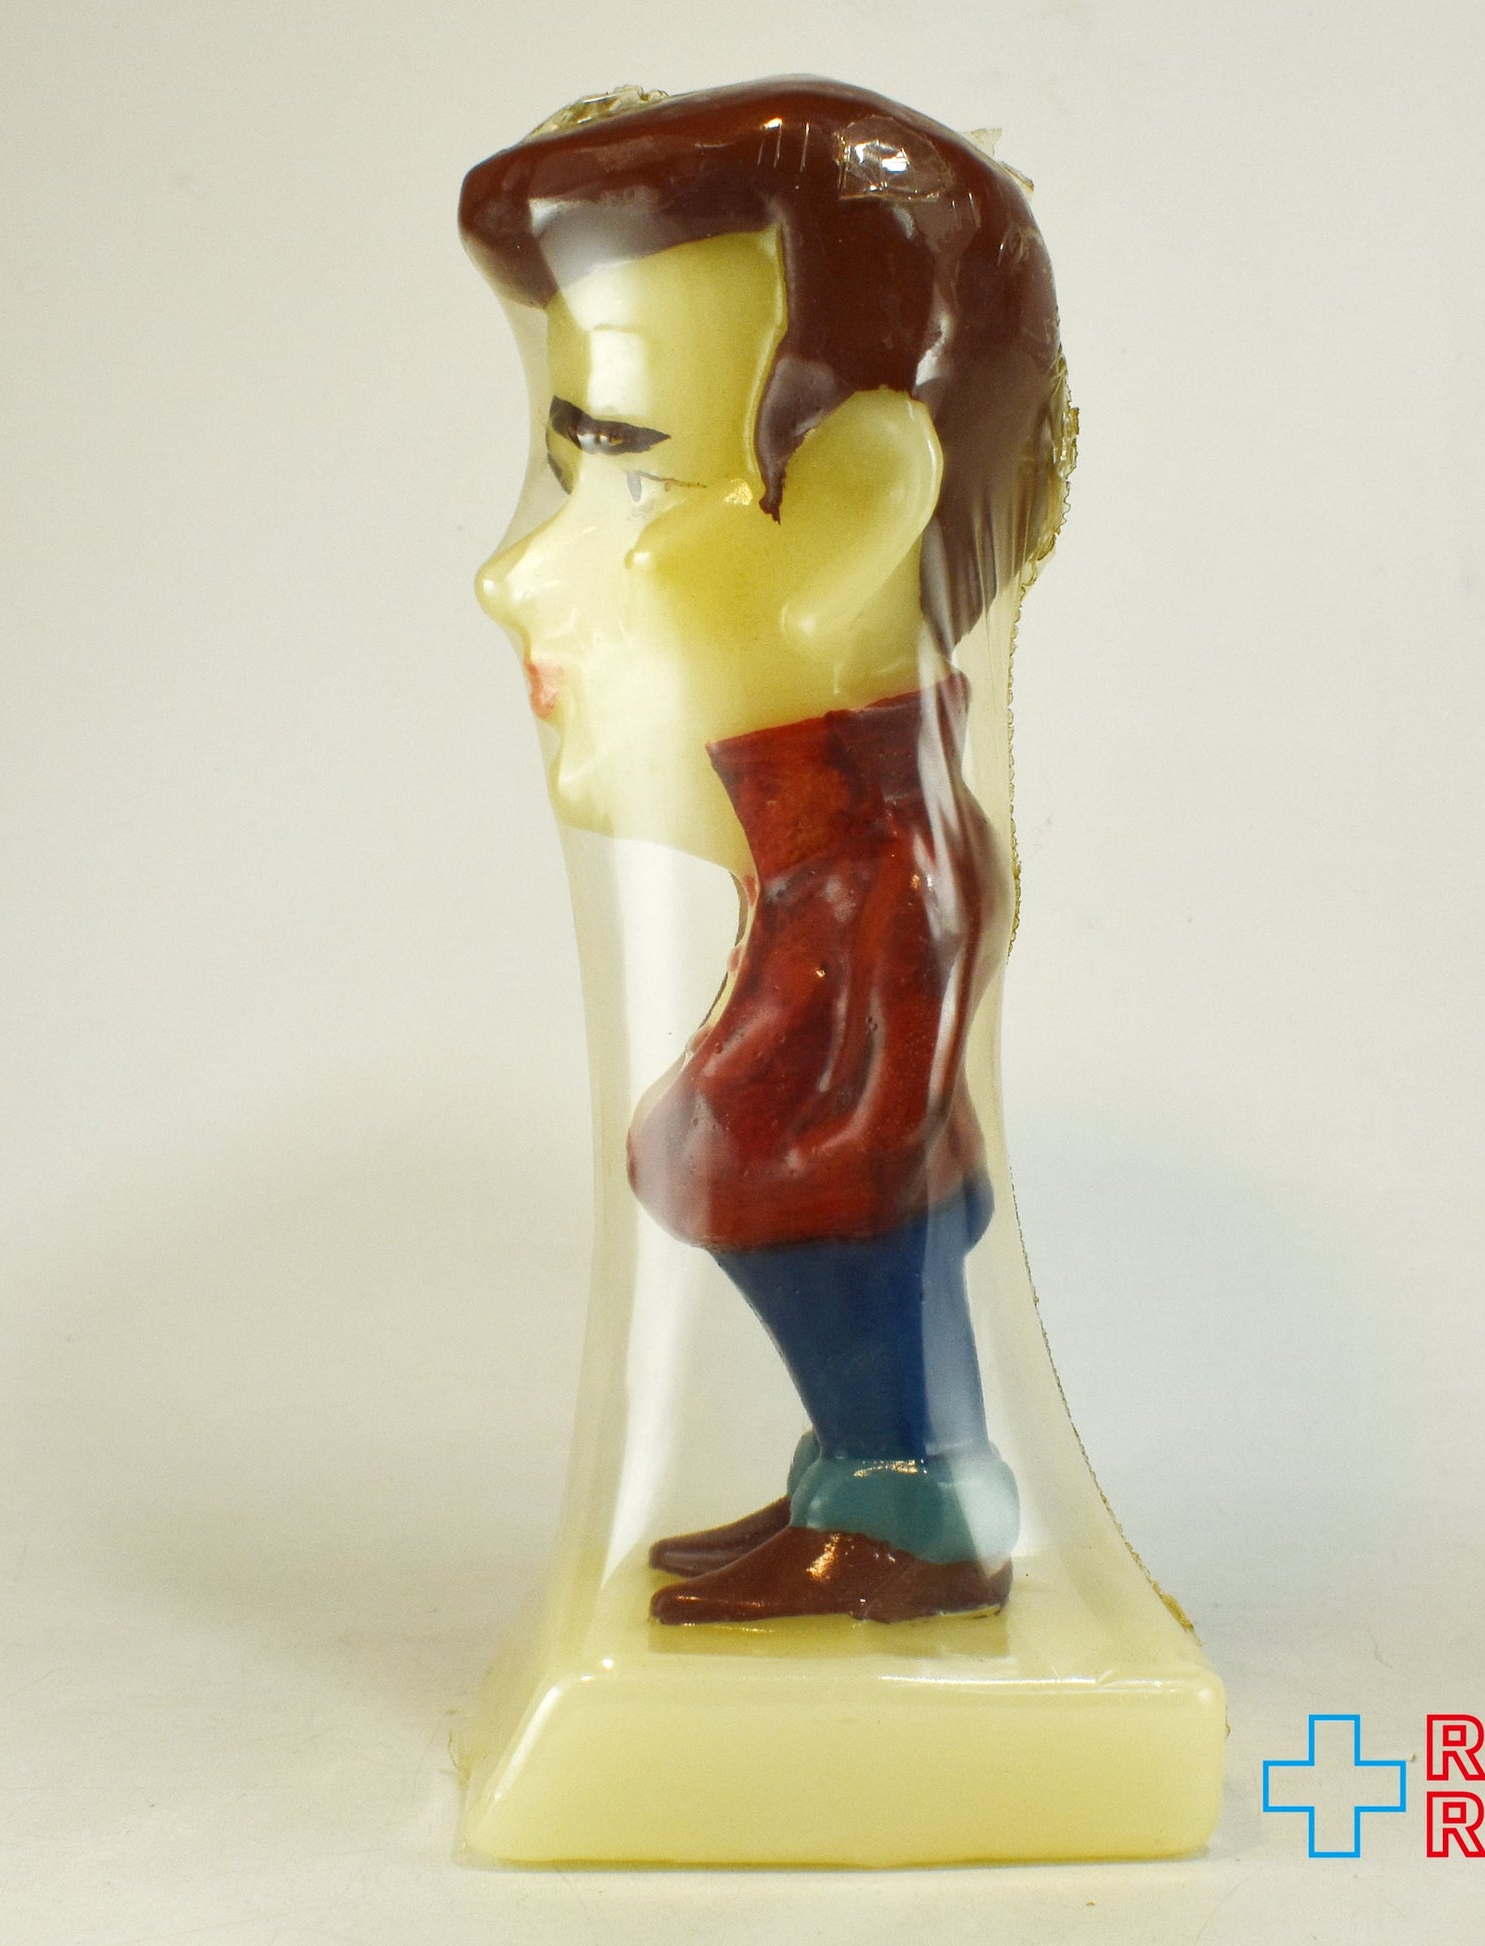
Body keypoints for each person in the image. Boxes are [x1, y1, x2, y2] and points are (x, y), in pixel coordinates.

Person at [461, 78, 1072, 1622]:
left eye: (631, 469)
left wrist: (747, 1141)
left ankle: (908, 1511)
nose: (509, 575)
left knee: (848, 1286)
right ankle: (853, 1482)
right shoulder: (821, 823)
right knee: (836, 1292)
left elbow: (880, 1069)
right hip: (837, 1169)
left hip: (849, 1181)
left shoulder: (887, 844)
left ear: (856, 509)